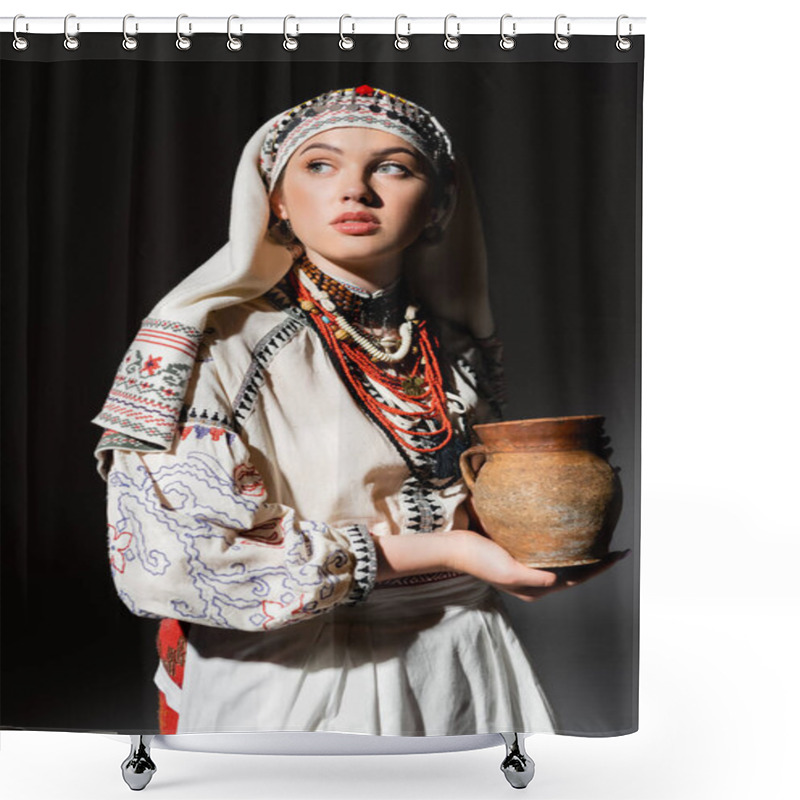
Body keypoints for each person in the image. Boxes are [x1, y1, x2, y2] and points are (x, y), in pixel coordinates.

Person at [93, 85, 623, 737]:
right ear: (278, 200)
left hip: (464, 660)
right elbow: (176, 560)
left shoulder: (451, 349)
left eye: (393, 167)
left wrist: (535, 530)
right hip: (299, 675)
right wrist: (450, 550)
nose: (356, 190)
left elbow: (469, 505)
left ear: (439, 205)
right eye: (321, 165)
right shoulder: (211, 345)